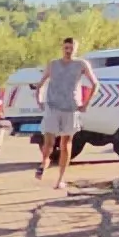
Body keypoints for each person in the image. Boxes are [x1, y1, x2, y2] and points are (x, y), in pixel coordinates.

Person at [33, 40, 94, 184]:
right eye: (66, 48)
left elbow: (95, 83)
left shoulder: (81, 64)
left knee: (66, 144)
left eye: (71, 48)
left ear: (76, 49)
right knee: (48, 143)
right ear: (62, 48)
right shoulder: (53, 64)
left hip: (70, 108)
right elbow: (40, 84)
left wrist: (86, 103)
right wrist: (39, 100)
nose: (68, 51)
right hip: (53, 107)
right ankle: (44, 162)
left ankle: (60, 179)